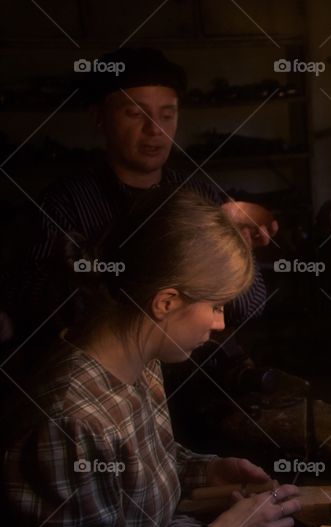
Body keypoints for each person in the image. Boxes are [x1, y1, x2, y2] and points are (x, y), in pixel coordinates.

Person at [1, 189, 300, 527]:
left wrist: (205, 472)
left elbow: (132, 471)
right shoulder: (70, 422)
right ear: (166, 302)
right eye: (215, 306)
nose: (219, 323)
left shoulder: (140, 360)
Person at [6, 46, 275, 344]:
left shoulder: (199, 194)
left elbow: (251, 308)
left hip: (197, 374)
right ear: (99, 117)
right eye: (135, 113)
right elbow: (33, 309)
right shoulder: (63, 203)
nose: (155, 129)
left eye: (168, 114)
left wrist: (234, 246)